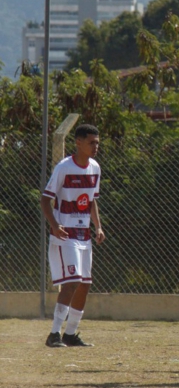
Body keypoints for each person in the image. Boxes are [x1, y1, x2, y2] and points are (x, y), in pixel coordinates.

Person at [40, 124, 105, 348]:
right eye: (91, 142)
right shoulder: (64, 167)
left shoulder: (95, 168)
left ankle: (70, 334)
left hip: (84, 235)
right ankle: (54, 334)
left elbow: (92, 199)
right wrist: (55, 225)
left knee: (85, 284)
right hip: (65, 234)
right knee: (72, 282)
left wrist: (98, 226)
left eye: (97, 142)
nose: (95, 146)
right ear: (78, 142)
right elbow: (45, 199)